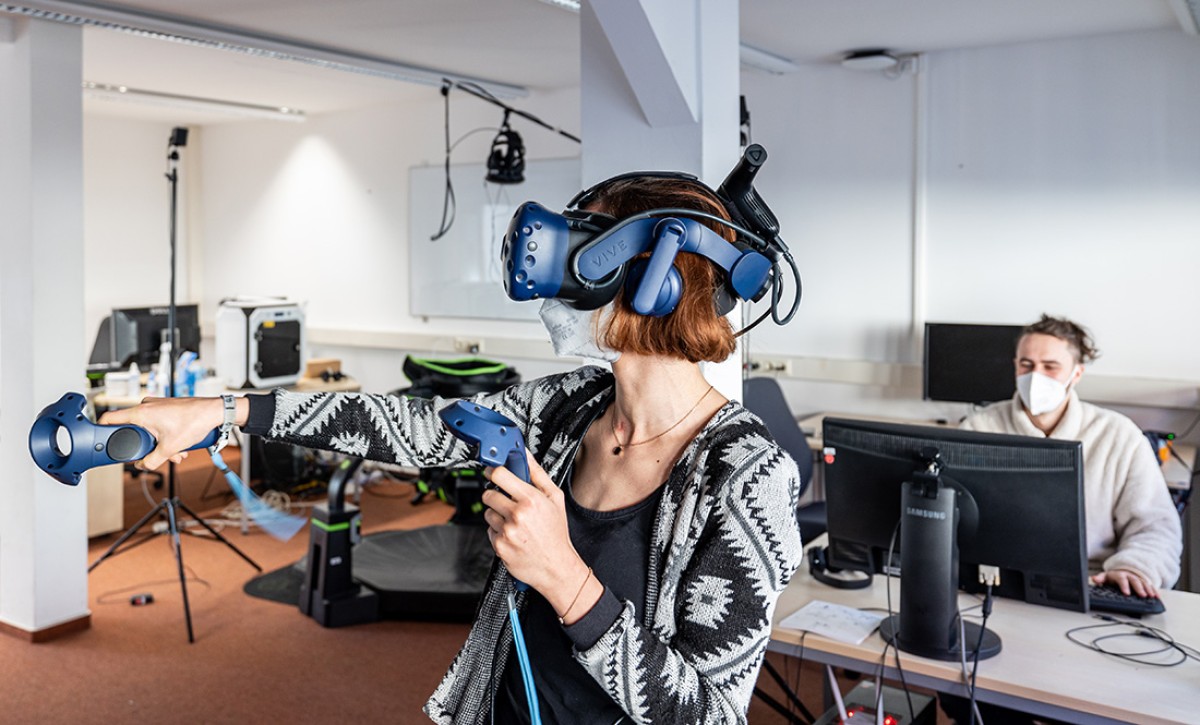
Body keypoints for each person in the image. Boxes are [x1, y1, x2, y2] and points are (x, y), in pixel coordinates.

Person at [103, 175, 804, 724]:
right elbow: (407, 425)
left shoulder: (746, 475)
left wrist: (566, 579)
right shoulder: (571, 405)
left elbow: (711, 716)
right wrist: (223, 410)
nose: (560, 287)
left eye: (585, 259)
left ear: (657, 281)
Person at [960, 314, 1182, 597]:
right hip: (995, 582)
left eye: (1050, 366)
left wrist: (1134, 569)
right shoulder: (979, 428)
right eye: (1026, 365)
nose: (1035, 377)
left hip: (1091, 582)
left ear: (1076, 374)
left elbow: (1157, 526)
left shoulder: (1118, 435)